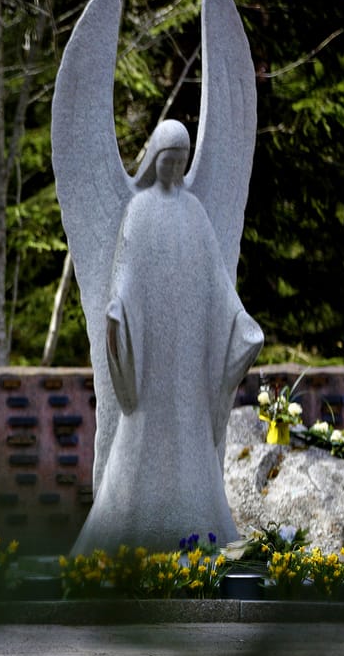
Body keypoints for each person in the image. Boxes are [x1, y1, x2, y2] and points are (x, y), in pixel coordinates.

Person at [70, 121, 262, 554]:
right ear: (154, 159)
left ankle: (201, 524)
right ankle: (126, 523)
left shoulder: (195, 212)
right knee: (140, 434)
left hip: (188, 351)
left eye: (180, 160)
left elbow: (215, 278)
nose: (174, 167)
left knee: (189, 429)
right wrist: (118, 308)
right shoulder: (139, 210)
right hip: (152, 351)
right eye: (167, 159)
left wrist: (238, 319)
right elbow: (127, 273)